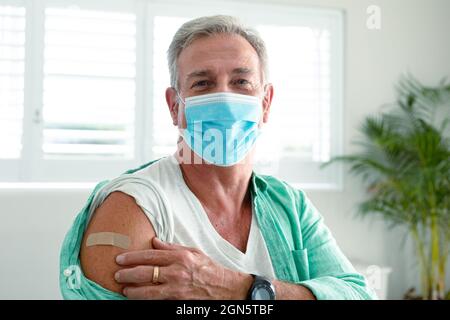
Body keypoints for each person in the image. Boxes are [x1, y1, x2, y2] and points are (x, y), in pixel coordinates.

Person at [59, 15, 376, 300]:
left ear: (265, 103)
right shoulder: (136, 205)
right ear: (175, 107)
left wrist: (237, 287)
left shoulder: (289, 206)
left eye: (241, 82)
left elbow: (358, 294)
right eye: (202, 83)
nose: (224, 99)